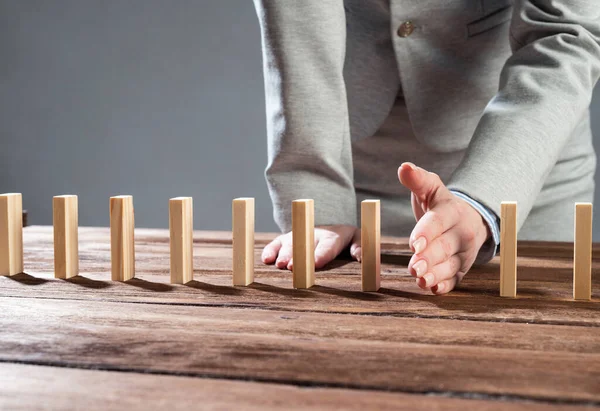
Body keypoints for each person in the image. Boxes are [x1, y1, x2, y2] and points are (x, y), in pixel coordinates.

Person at [251, 0, 600, 294]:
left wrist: (484, 199)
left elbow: (567, 34)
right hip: (353, 168)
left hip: (524, 166)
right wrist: (320, 195)